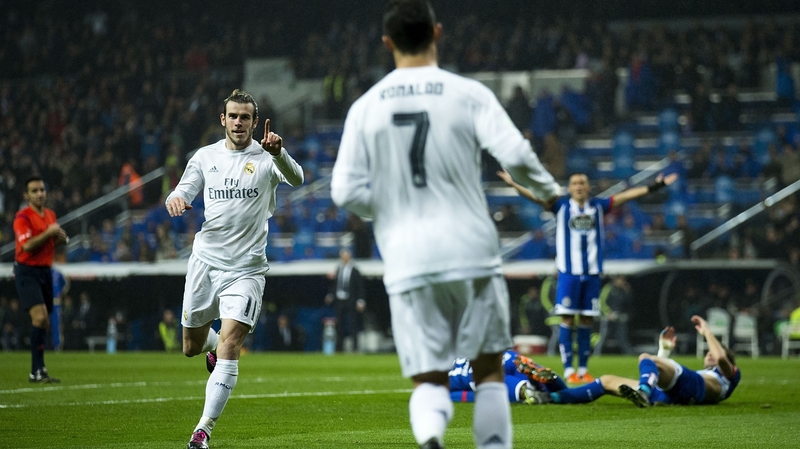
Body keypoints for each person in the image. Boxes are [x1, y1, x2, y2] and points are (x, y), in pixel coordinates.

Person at [331, 2, 561, 448]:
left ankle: (432, 437)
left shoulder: (365, 106)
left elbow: (344, 192)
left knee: (430, 379)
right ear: (437, 33)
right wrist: (551, 194)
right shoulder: (468, 93)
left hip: (408, 256)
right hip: (471, 250)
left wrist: (392, 211)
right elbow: (515, 155)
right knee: (489, 371)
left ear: (387, 42)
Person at [165, 89, 303, 449]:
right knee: (190, 346)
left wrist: (280, 153)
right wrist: (176, 199)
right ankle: (209, 346)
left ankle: (202, 431)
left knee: (231, 343)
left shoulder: (267, 155)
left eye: (246, 117)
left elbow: (298, 178)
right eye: (234, 116)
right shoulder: (205, 157)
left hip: (246, 270)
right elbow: (181, 190)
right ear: (223, 119)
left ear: (255, 123)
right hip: (205, 263)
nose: (239, 122)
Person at [498, 170, 678, 383]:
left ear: (588, 186)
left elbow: (627, 196)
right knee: (566, 319)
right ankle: (568, 370)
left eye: (582, 182)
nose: (579, 186)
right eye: (575, 183)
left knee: (585, 321)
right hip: (568, 274)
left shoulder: (599, 206)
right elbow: (535, 196)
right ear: (570, 188)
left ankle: (582, 370)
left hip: (591, 274)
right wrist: (513, 183)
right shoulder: (561, 206)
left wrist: (655, 186)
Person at [525, 319, 740, 407]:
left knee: (644, 358)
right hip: (673, 395)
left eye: (714, 355)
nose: (710, 356)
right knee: (607, 381)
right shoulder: (702, 374)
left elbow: (720, 357)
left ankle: (644, 392)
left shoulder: (729, 375)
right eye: (709, 355)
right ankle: (550, 397)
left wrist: (706, 331)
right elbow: (665, 377)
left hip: (694, 388)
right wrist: (663, 351)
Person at [13, 176, 67, 382]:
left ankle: (40, 369)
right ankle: (35, 371)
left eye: (42, 190)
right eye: (34, 191)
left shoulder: (50, 215)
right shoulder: (23, 218)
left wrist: (61, 239)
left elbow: (52, 241)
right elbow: (26, 246)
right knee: (40, 318)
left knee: (44, 322)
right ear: (26, 195)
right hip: (27, 271)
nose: (39, 194)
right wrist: (49, 232)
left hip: (45, 271)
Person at [449, 350, 567, 404]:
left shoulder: (439, 379)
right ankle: (547, 384)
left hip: (478, 372)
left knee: (488, 380)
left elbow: (459, 396)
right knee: (561, 389)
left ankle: (528, 390)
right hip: (505, 356)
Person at [324, 248, 366, 352]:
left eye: (346, 256)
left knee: (353, 324)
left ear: (349, 257)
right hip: (339, 300)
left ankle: (355, 348)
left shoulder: (355, 271)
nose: (344, 258)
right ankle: (339, 348)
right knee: (339, 325)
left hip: (350, 300)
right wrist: (330, 295)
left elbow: (360, 287)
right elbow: (335, 286)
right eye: (342, 256)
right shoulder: (338, 269)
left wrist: (360, 301)